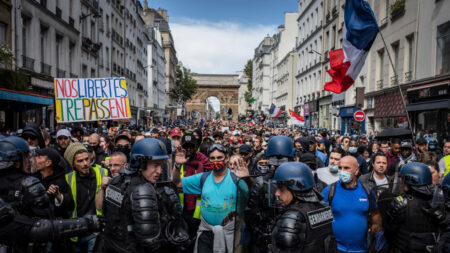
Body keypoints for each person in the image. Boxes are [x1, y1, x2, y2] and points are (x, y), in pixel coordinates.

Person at [102, 138, 189, 252]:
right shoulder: (143, 189)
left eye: (161, 165)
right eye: (155, 165)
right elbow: (150, 242)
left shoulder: (116, 181)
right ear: (140, 163)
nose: (159, 171)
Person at [173, 143, 249, 253]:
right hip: (206, 233)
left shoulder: (236, 177)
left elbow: (250, 196)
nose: (216, 161)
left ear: (227, 158)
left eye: (219, 158)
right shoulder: (203, 178)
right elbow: (177, 183)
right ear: (208, 160)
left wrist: (247, 179)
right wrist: (177, 165)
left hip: (230, 235)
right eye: (212, 158)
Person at [271, 162, 337, 252]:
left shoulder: (293, 216)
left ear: (295, 189)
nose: (277, 193)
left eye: (281, 188)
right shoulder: (323, 207)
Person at [322, 156, 381, 253]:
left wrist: (376, 224)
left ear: (356, 171)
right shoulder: (329, 191)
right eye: (340, 168)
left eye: (346, 168)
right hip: (336, 249)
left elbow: (375, 212)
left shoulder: (367, 192)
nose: (342, 171)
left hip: (362, 249)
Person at [245, 136, 294, 252]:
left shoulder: (295, 182)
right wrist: (262, 235)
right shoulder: (262, 183)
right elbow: (251, 214)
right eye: (275, 165)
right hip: (264, 238)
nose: (277, 168)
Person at [379, 162, 440, 252]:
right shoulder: (438, 201)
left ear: (410, 181)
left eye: (403, 180)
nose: (401, 183)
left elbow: (389, 232)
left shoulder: (400, 204)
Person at [64, 143, 109, 253]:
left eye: (86, 159)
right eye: (80, 161)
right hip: (75, 230)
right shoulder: (67, 178)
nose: (85, 164)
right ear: (73, 164)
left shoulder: (103, 172)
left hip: (95, 231)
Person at [173, 133, 211, 250]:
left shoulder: (205, 162)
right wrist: (178, 165)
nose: (189, 149)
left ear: (196, 147)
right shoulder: (177, 161)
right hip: (181, 208)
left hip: (200, 211)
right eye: (186, 146)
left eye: (191, 146)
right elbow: (174, 183)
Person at [32, 148, 74, 218]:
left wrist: (58, 196)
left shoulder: (60, 183)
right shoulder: (34, 177)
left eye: (39, 157)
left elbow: (70, 206)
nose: (35, 159)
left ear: (48, 163)